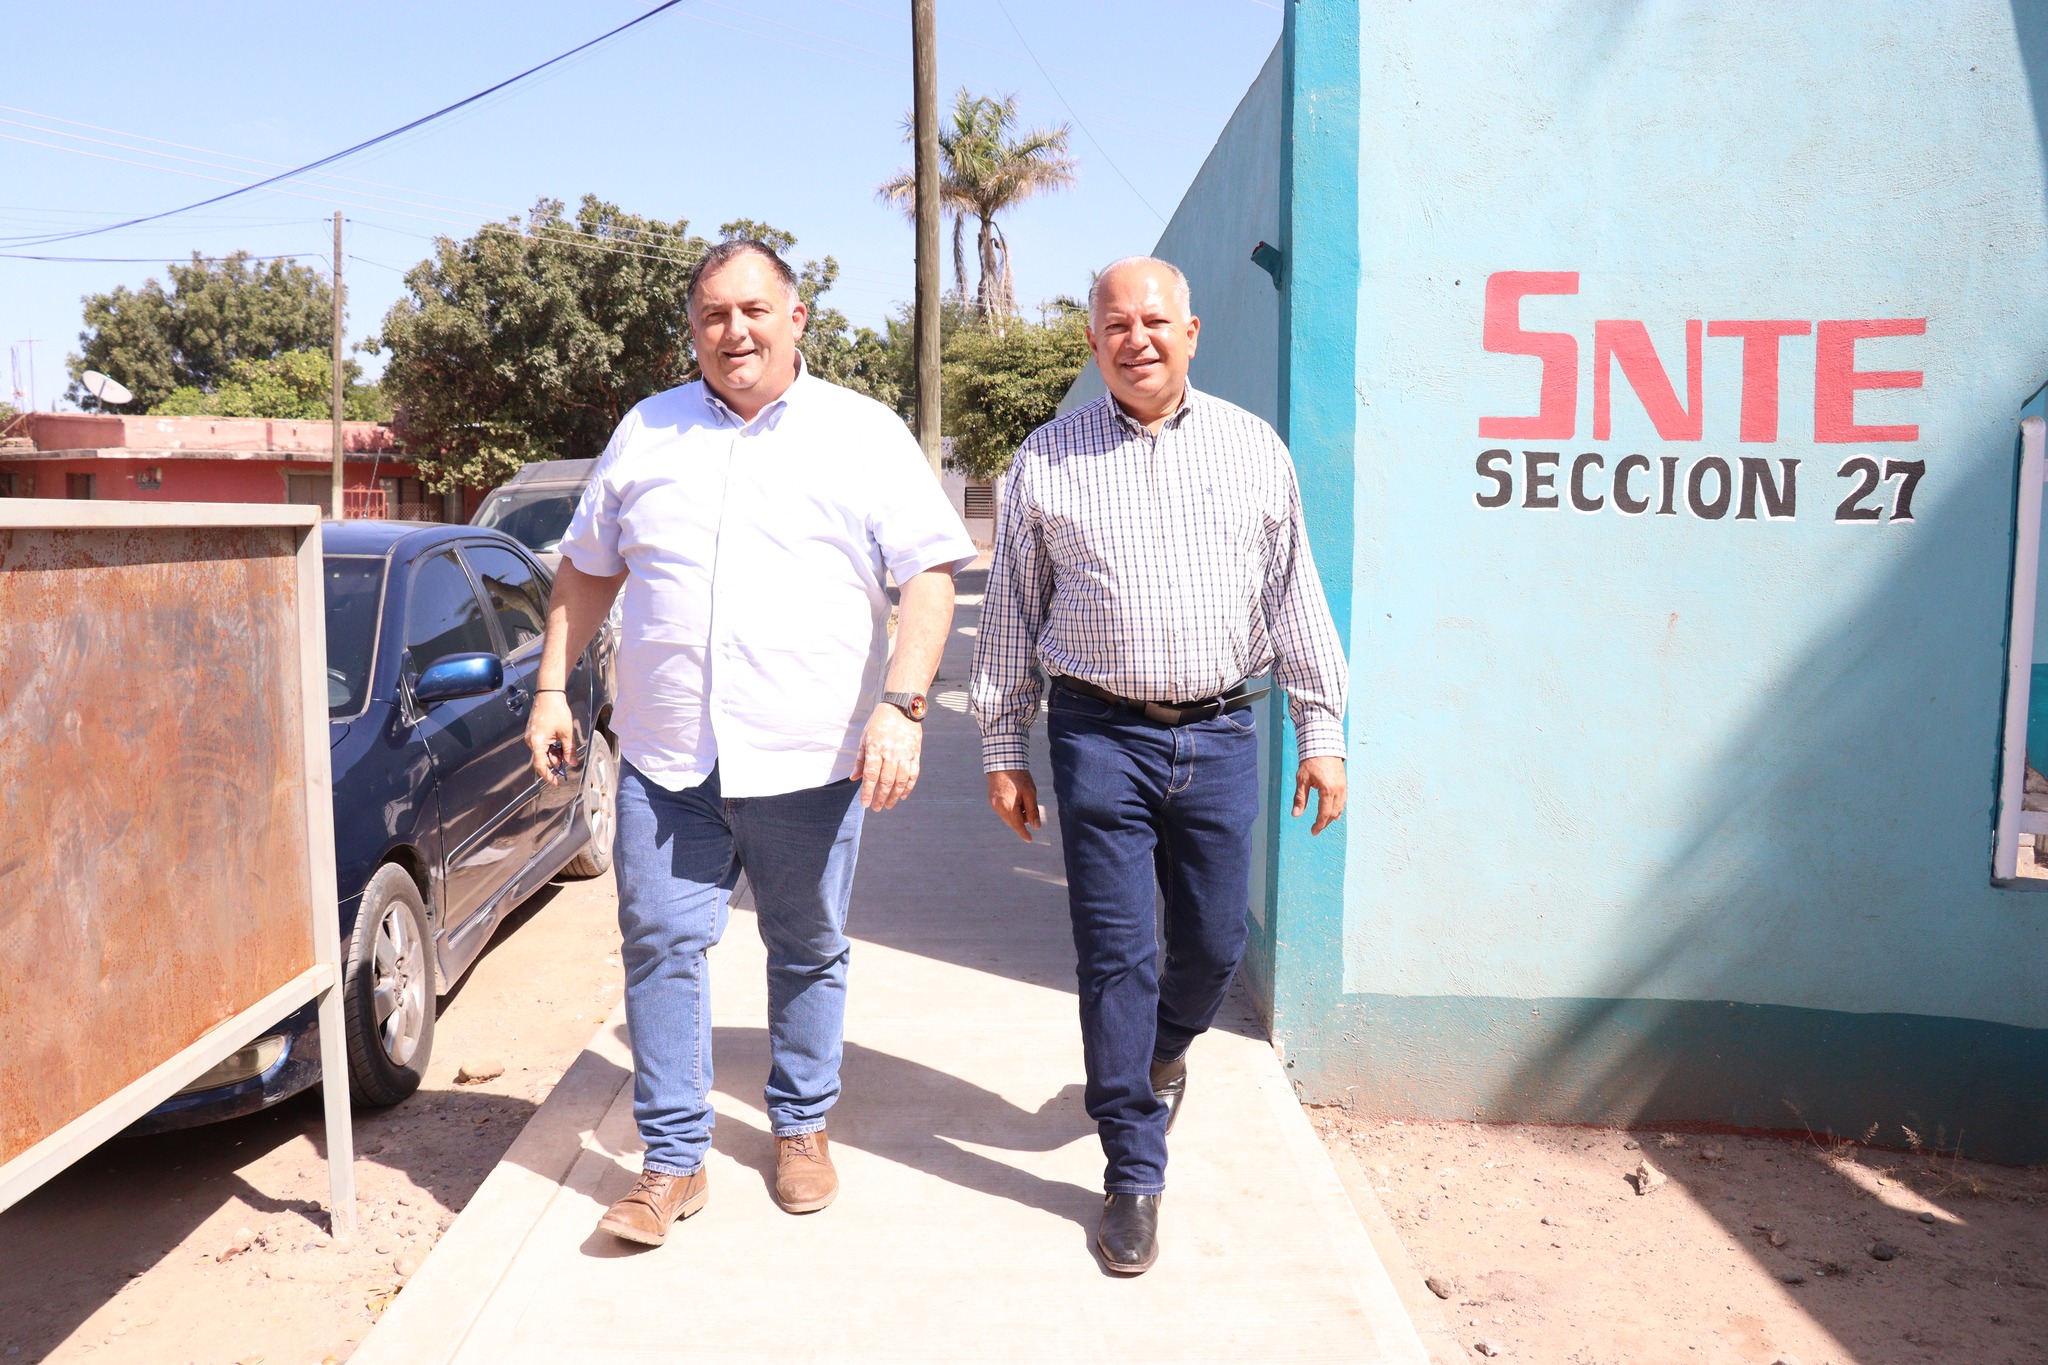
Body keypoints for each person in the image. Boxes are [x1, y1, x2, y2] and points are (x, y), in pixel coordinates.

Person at [527, 239, 976, 1247]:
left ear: (796, 318)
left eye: (753, 310)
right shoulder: (646, 430)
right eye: (713, 316)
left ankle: (801, 1124)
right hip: (667, 757)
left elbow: (928, 575)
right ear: (692, 331)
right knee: (660, 943)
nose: (734, 332)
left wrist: (902, 705)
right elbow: (588, 567)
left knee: (807, 946)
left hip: (809, 757)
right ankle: (672, 1159)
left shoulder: (861, 433)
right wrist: (553, 686)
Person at [969, 255, 1349, 1275]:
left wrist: (1320, 731)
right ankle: (1132, 1169)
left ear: (1190, 333)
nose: (1134, 338)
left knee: (1213, 946)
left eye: (1153, 321)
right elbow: (1009, 615)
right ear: (1093, 340)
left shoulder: (1253, 449)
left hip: (1221, 734)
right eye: (1114, 324)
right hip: (1098, 735)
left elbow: (1294, 593)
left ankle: (1164, 1050)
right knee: (1115, 955)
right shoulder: (1046, 459)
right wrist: (1004, 746)